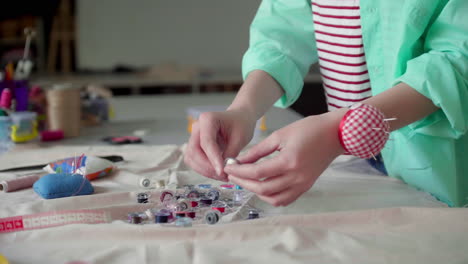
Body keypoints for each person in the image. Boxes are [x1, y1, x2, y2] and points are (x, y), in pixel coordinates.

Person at [185, 0, 468, 207]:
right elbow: (281, 32)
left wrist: (338, 133)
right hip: (347, 163)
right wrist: (244, 110)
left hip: (434, 166)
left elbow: (456, 60)